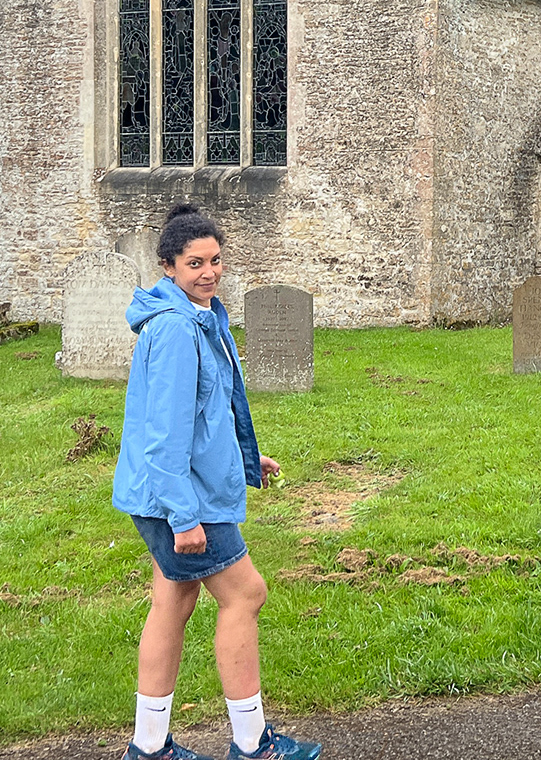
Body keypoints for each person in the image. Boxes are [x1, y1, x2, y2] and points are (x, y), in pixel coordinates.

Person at [113, 203, 320, 760]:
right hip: (180, 498)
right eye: (194, 263)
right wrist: (184, 517)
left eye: (216, 260)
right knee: (247, 594)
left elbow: (207, 416)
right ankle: (253, 746)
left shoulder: (200, 317)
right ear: (168, 267)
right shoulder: (179, 329)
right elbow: (163, 437)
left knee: (172, 603)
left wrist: (249, 461)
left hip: (172, 491)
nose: (208, 272)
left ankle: (150, 748)